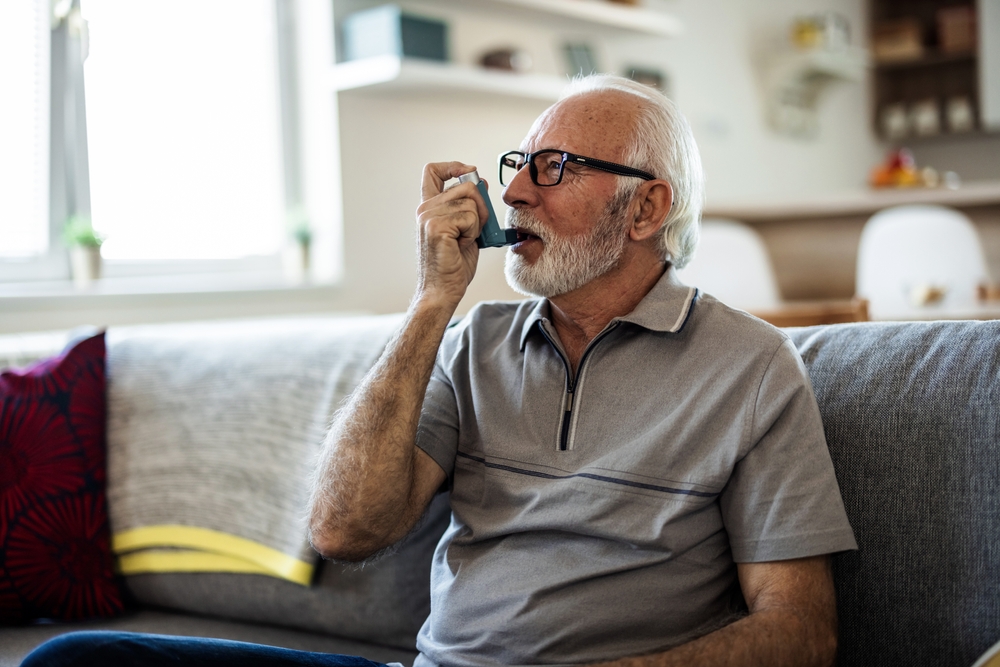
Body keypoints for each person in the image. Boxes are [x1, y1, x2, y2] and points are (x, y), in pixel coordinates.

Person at [23, 74, 855, 667]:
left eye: (555, 167)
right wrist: (431, 303)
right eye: (517, 164)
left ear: (645, 207)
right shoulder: (473, 340)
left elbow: (799, 632)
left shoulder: (751, 367)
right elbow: (346, 529)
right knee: (76, 658)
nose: (516, 193)